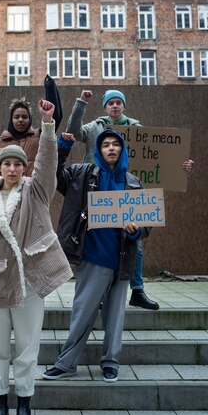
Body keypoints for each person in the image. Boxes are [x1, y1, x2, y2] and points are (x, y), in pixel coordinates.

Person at [0, 100, 73, 415]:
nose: (12, 168)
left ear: (24, 168)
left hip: (30, 282)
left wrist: (49, 126)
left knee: (27, 347)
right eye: (7, 163)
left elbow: (47, 161)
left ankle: (24, 404)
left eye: (17, 164)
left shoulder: (36, 192)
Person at [66, 89, 193, 311]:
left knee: (134, 242)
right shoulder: (94, 127)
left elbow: (160, 157)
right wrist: (81, 103)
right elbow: (73, 131)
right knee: (97, 242)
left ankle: (138, 290)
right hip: (98, 190)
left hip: (128, 191)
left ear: (124, 106)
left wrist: (181, 167)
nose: (115, 106)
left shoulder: (138, 131)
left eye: (118, 103)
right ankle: (101, 292)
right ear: (105, 107)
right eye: (111, 103)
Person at [43, 128, 150, 383]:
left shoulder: (134, 183)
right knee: (83, 312)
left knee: (116, 315)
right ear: (99, 151)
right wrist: (63, 148)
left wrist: (136, 232)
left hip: (122, 259)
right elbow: (53, 175)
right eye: (106, 145)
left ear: (122, 150)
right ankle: (67, 363)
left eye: (116, 145)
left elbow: (146, 225)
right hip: (93, 257)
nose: (111, 148)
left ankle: (111, 363)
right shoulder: (82, 174)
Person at [0, 97, 40, 176]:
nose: (20, 120)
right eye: (16, 117)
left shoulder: (39, 137)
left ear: (30, 119)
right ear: (11, 120)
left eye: (24, 117)